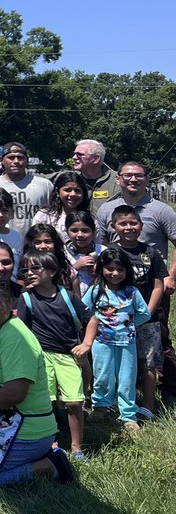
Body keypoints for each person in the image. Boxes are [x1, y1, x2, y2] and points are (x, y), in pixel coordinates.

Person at [0, 278, 74, 487]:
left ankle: (49, 465)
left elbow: (15, 394)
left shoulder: (16, 338)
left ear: (10, 303)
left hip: (26, 429)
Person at [94, 160, 176, 402]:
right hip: (117, 292)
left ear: (147, 179)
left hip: (152, 287)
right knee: (117, 339)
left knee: (160, 338)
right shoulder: (107, 209)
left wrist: (171, 277)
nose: (133, 179)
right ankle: (122, 392)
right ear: (118, 179)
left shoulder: (161, 210)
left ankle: (169, 388)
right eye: (128, 175)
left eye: (139, 175)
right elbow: (100, 246)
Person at [16, 249, 93, 459]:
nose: (29, 273)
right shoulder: (26, 299)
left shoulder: (68, 296)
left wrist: (86, 344)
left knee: (75, 402)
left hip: (68, 356)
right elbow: (20, 330)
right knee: (47, 402)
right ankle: (52, 443)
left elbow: (92, 319)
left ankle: (77, 447)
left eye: (35, 268)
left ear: (51, 271)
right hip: (41, 358)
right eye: (25, 270)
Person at [106, 205, 167, 418]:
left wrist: (147, 313)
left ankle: (148, 406)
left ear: (141, 226)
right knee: (116, 361)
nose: (128, 227)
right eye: (123, 223)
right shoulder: (109, 252)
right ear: (114, 226)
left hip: (147, 319)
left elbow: (158, 286)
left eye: (133, 223)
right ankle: (114, 402)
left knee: (148, 363)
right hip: (116, 320)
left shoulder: (151, 253)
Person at [81, 248, 149, 430]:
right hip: (101, 343)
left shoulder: (132, 292)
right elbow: (84, 310)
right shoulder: (96, 291)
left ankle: (128, 415)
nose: (115, 273)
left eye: (120, 269)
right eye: (110, 268)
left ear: (127, 271)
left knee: (127, 378)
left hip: (127, 344)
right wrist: (94, 327)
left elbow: (144, 313)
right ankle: (101, 407)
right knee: (102, 375)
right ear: (101, 269)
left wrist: (129, 324)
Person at [0, 142, 53, 237]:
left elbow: (53, 215)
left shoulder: (44, 185)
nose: (16, 161)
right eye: (11, 157)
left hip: (36, 241)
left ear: (27, 161)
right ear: (2, 160)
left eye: (20, 157)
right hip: (1, 241)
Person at [32, 170, 89, 243]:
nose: (73, 194)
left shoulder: (89, 217)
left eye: (77, 190)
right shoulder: (44, 216)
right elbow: (34, 242)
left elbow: (96, 245)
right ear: (57, 191)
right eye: (68, 190)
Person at [69, 138, 120, 206]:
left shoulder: (118, 181)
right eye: (74, 154)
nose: (74, 157)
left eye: (80, 154)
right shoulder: (71, 178)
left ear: (96, 159)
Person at [65, 211, 101, 296]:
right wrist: (75, 267)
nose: (80, 235)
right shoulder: (62, 253)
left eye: (85, 230)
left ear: (94, 232)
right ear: (67, 232)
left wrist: (99, 272)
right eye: (74, 231)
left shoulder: (103, 251)